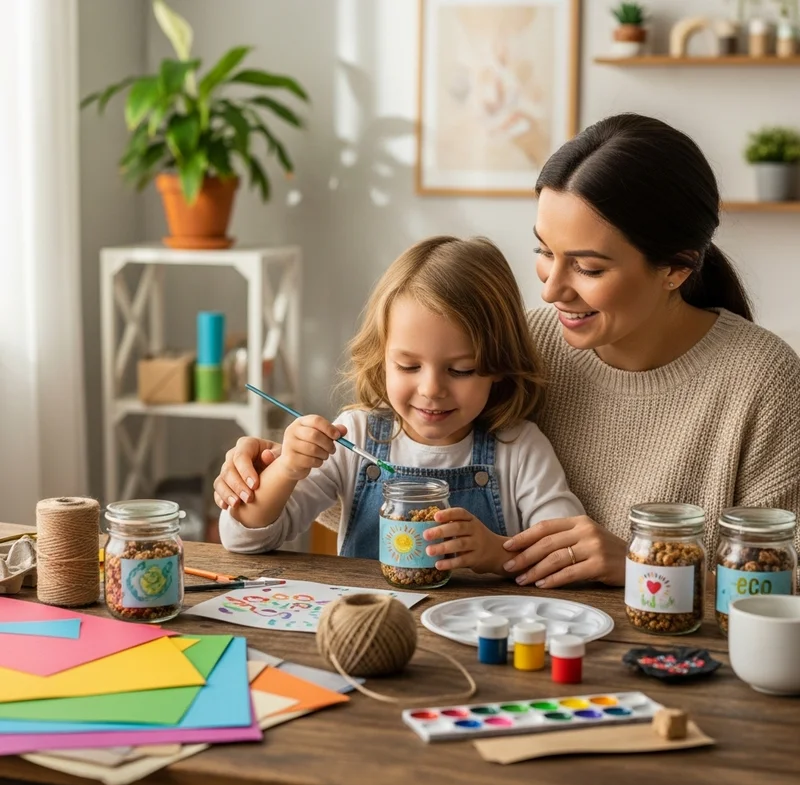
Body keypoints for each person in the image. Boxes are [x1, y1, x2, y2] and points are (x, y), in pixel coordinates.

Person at [215, 113, 800, 589]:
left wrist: (644, 563)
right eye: (545, 251)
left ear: (675, 269)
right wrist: (269, 466)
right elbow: (392, 466)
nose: (550, 288)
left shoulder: (764, 380)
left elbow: (787, 576)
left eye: (589, 267)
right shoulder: (526, 342)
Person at [218, 236, 584, 575]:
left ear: (499, 366)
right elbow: (244, 539)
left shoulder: (518, 449)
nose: (431, 389)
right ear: (382, 359)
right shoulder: (355, 435)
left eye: (461, 370)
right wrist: (286, 469)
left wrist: (497, 552)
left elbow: (569, 554)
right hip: (368, 628)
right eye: (408, 366)